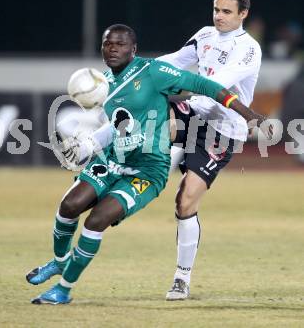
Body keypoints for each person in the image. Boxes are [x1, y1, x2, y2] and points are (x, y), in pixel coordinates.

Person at [26, 23, 269, 305]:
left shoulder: (153, 72)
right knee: (68, 206)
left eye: (120, 44)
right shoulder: (103, 84)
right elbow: (118, 124)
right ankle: (59, 261)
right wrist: (88, 145)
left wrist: (248, 114)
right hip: (113, 160)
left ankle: (64, 289)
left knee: (96, 221)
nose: (113, 48)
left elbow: (206, 85)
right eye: (107, 44)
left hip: (147, 170)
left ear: (134, 49)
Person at [156, 0, 264, 300]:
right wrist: (142, 72)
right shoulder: (204, 35)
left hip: (222, 129)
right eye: (217, 9)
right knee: (146, 116)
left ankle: (181, 278)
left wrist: (173, 91)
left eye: (227, 12)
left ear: (243, 14)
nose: (219, 16)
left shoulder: (248, 49)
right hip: (194, 113)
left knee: (185, 201)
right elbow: (174, 60)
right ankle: (105, 159)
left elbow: (212, 85)